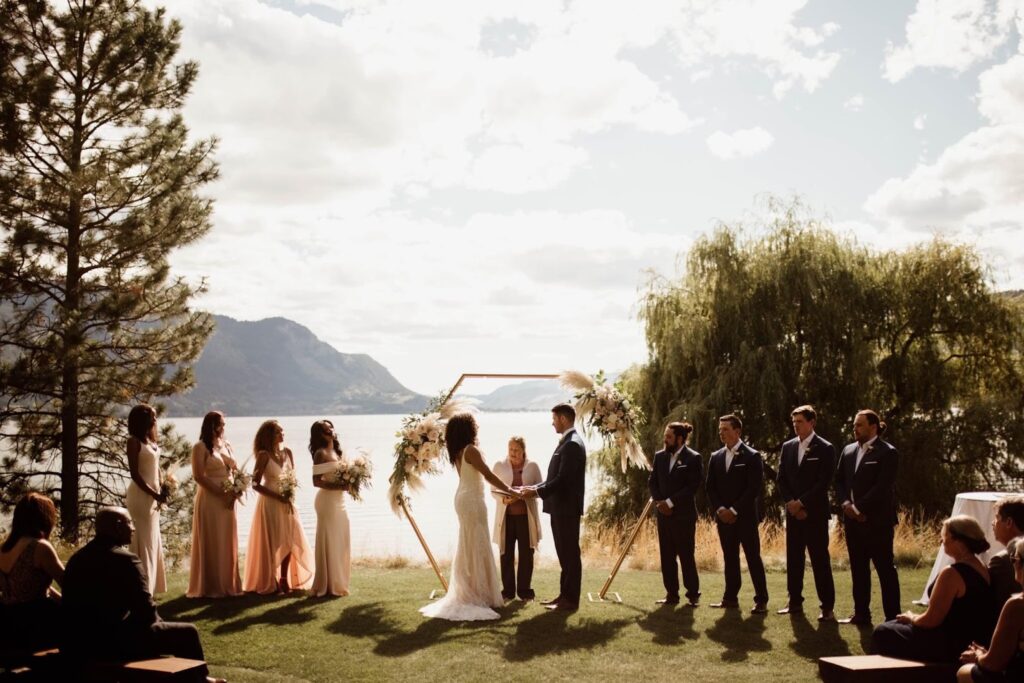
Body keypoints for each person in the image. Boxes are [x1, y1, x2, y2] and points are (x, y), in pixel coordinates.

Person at [60, 507, 224, 683]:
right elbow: (146, 612)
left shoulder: (77, 559)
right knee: (187, 633)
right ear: (118, 527)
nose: (133, 528)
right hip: (112, 644)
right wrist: (156, 622)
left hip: (79, 641)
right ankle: (200, 679)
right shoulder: (127, 560)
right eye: (130, 523)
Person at [420, 412, 520, 621]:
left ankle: (472, 591)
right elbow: (488, 475)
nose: (477, 428)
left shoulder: (458, 452)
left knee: (469, 543)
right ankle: (478, 594)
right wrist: (510, 490)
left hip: (463, 498)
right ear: (468, 429)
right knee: (477, 543)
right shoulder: (471, 450)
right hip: (472, 500)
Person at [873, 515, 995, 663]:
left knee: (882, 631)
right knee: (894, 624)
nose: (941, 541)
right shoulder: (981, 566)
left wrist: (911, 617)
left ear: (958, 540)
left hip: (949, 643)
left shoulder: (952, 573)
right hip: (970, 637)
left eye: (944, 536)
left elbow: (931, 620)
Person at [836, 409, 901, 625]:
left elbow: (882, 487)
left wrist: (859, 508)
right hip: (852, 522)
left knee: (885, 569)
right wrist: (846, 504)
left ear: (873, 427)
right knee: (858, 569)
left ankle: (892, 617)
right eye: (854, 425)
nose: (855, 429)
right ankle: (861, 614)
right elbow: (839, 481)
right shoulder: (848, 450)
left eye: (859, 425)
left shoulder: (888, 452)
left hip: (877, 521)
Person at [520, 403, 587, 612]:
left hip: (566, 509)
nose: (552, 423)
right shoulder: (568, 442)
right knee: (564, 555)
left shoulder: (572, 444)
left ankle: (570, 600)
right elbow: (554, 478)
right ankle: (564, 596)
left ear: (563, 419)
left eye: (554, 419)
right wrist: (534, 487)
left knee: (570, 555)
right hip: (560, 508)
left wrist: (536, 493)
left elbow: (563, 480)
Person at [775, 405, 836, 621]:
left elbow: (823, 482)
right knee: (794, 559)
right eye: (794, 422)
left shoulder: (825, 448)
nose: (796, 425)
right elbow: (781, 478)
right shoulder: (788, 447)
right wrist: (791, 503)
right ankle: (794, 602)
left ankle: (827, 607)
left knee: (820, 560)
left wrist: (802, 503)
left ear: (812, 422)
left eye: (800, 421)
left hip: (815, 514)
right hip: (793, 514)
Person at [705, 414, 769, 613]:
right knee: (730, 558)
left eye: (725, 429)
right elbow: (710, 487)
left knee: (753, 557)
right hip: (723, 518)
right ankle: (730, 598)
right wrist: (720, 510)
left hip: (745, 517)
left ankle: (761, 600)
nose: (721, 433)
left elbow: (753, 489)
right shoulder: (716, 457)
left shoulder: (752, 456)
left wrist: (733, 510)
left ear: (737, 431)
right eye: (720, 429)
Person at [243, 420, 313, 595]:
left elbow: (292, 478)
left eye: (282, 431)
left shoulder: (288, 452)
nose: (282, 434)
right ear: (269, 435)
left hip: (287, 502)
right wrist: (277, 497)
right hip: (270, 502)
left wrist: (289, 494)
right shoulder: (263, 455)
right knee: (273, 541)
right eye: (278, 432)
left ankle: (283, 578)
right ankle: (271, 579)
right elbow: (255, 484)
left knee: (288, 540)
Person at [186, 411, 243, 598]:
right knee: (213, 538)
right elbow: (198, 476)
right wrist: (221, 493)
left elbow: (234, 470)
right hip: (211, 498)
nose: (223, 427)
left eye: (224, 424)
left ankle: (228, 582)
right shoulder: (200, 447)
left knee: (227, 538)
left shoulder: (227, 445)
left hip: (230, 497)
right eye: (221, 424)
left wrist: (238, 488)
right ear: (212, 425)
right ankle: (211, 585)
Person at [0, 493, 65, 652]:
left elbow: (27, 585)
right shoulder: (40, 547)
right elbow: (69, 584)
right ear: (45, 519)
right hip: (35, 622)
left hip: (6, 623)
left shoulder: (3, 549)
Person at [648, 421, 703, 607]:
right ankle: (671, 594)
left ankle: (693, 594)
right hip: (663, 515)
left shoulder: (693, 458)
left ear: (679, 439)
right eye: (665, 436)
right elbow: (652, 482)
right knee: (667, 556)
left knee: (686, 556)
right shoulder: (659, 457)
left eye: (669, 436)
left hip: (683, 516)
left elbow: (692, 487)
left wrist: (670, 502)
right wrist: (660, 503)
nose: (665, 439)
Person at [958, 536, 1024, 681]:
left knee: (964, 672)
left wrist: (978, 656)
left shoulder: (1017, 606)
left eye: (1013, 559)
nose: (1013, 564)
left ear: (1020, 563)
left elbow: (993, 664)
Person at [491, 436, 542, 602]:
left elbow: (540, 489)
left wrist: (525, 494)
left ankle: (525, 592)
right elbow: (493, 490)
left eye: (516, 450)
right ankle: (507, 592)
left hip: (526, 517)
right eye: (510, 449)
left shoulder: (533, 466)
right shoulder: (499, 465)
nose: (513, 453)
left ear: (523, 450)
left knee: (527, 554)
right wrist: (504, 500)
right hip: (506, 517)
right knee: (506, 554)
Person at [125, 403, 168, 595]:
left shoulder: (150, 440)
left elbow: (156, 468)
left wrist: (164, 487)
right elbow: (135, 474)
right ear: (143, 419)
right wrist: (153, 493)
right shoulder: (133, 442)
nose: (155, 420)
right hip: (140, 496)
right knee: (142, 539)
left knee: (152, 539)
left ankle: (151, 586)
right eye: (153, 416)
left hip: (153, 495)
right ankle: (140, 588)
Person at [310, 419, 352, 598]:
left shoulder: (336, 452)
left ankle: (339, 581)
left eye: (331, 428)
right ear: (320, 435)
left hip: (340, 501)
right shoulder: (320, 453)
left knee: (340, 539)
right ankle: (326, 584)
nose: (331, 431)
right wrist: (340, 486)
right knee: (329, 539)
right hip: (327, 502)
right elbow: (316, 482)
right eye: (327, 430)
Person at [989, 496, 1024, 609]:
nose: (993, 523)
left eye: (997, 518)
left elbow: (993, 605)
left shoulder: (1002, 560)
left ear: (1009, 522)